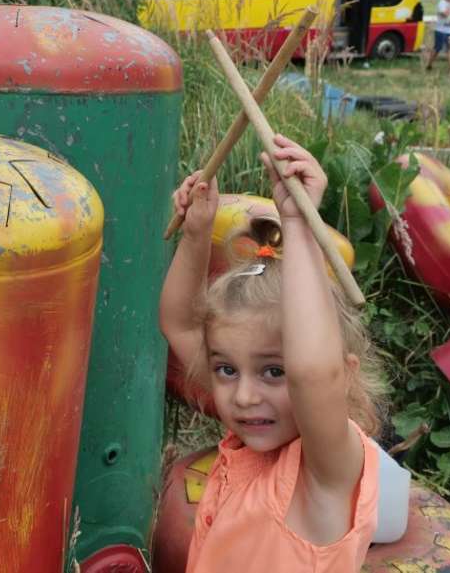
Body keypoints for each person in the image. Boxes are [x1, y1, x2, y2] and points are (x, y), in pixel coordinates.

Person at [161, 137, 384, 572]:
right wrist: (196, 233)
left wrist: (298, 223)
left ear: (344, 375)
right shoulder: (253, 434)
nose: (243, 395)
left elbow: (311, 375)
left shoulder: (325, 472)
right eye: (226, 369)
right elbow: (181, 325)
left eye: (274, 371)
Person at [426, 0, 450, 69]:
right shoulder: (442, 3)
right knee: (437, 48)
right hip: (441, 30)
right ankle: (429, 64)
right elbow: (444, 14)